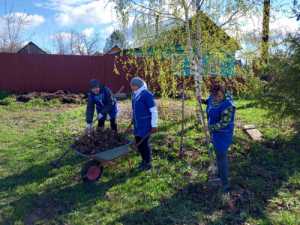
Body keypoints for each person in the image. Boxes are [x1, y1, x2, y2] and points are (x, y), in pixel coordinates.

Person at [200, 84, 235, 193]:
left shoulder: (228, 105)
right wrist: (201, 100)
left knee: (221, 156)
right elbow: (209, 101)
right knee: (217, 153)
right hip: (214, 133)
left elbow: (224, 123)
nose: (217, 98)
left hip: (224, 134)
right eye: (215, 96)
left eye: (220, 96)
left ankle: (225, 184)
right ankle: (220, 174)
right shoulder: (212, 98)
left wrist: (209, 127)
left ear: (223, 94)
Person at [130, 77, 158, 171]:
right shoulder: (134, 95)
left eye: (134, 86)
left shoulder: (146, 95)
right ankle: (143, 160)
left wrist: (154, 125)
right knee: (138, 142)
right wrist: (133, 119)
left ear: (139, 85)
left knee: (144, 144)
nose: (132, 87)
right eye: (132, 86)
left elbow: (154, 111)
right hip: (138, 124)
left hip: (145, 124)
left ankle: (148, 163)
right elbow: (134, 109)